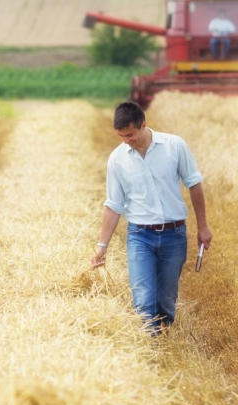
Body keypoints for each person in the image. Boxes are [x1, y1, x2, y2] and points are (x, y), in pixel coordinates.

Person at [90, 101, 212, 333]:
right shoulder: (117, 159)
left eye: (130, 135)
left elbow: (194, 184)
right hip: (139, 236)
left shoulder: (174, 146)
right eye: (121, 136)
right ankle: (150, 350)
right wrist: (101, 246)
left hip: (174, 235)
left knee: (166, 300)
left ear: (143, 125)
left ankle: (165, 342)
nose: (126, 141)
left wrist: (203, 226)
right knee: (144, 300)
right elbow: (113, 205)